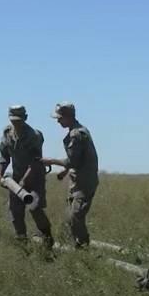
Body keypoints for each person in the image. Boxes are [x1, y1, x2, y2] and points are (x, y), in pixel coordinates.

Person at [40, 102, 99, 249]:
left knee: (75, 217)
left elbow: (73, 160)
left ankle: (84, 247)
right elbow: (78, 159)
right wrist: (65, 171)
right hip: (77, 181)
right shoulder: (77, 131)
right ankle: (76, 245)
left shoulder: (76, 134)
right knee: (70, 217)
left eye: (60, 118)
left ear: (68, 117)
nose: (58, 121)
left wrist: (51, 161)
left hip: (84, 182)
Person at [0, 105, 54, 246]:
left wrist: (24, 181)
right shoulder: (7, 133)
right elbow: (4, 156)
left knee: (34, 206)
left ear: (25, 118)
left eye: (19, 120)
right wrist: (0, 175)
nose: (16, 123)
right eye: (13, 120)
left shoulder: (34, 136)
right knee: (15, 210)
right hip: (17, 176)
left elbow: (36, 161)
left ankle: (46, 236)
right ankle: (21, 240)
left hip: (35, 176)